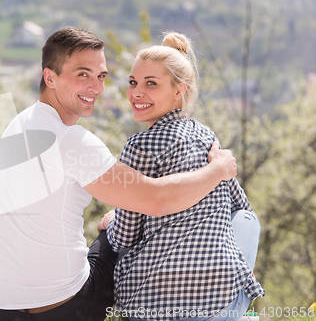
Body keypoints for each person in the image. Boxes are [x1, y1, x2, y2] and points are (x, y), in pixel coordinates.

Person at [0, 27, 238, 321]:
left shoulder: (20, 123)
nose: (96, 87)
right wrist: (218, 169)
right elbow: (158, 200)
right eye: (82, 74)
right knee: (121, 231)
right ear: (50, 77)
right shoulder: (72, 142)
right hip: (61, 310)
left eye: (100, 76)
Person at [105, 32, 265, 321]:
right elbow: (241, 208)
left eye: (150, 84)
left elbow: (126, 237)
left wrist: (112, 222)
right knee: (247, 220)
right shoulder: (207, 139)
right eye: (133, 82)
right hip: (218, 304)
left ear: (179, 91)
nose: (136, 93)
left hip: (149, 305)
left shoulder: (138, 147)